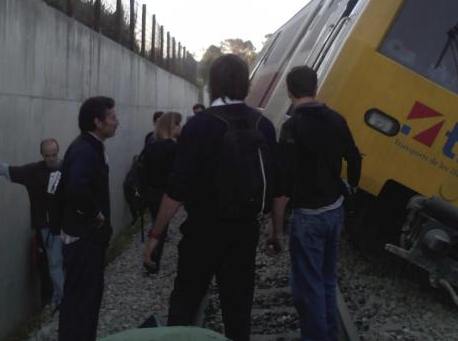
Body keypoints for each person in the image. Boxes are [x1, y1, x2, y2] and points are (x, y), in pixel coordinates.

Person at [143, 54, 283, 341]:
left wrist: (156, 234)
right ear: (246, 84)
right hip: (245, 231)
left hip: (202, 231)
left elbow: (177, 188)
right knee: (238, 309)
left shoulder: (198, 126)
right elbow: (279, 187)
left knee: (185, 303)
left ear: (212, 84)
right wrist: (276, 230)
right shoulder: (263, 125)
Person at [267, 65, 361, 341]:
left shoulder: (292, 127)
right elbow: (354, 157)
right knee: (327, 281)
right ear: (315, 88)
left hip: (308, 216)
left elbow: (282, 184)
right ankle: (330, 335)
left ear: (289, 91)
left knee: (308, 289)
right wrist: (351, 187)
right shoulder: (336, 119)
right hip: (334, 211)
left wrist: (277, 230)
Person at [0, 139, 64, 310]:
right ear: (42, 155)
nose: (51, 158)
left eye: (54, 154)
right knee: (55, 263)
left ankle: (66, 297)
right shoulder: (33, 172)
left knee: (63, 262)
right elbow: (6, 170)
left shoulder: (66, 168)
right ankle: (61, 299)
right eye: (48, 155)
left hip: (67, 223)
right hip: (49, 227)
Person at [58, 96, 119, 341]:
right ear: (98, 122)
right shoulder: (85, 149)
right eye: (112, 118)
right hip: (83, 240)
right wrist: (96, 214)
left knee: (84, 300)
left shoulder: (90, 145)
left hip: (87, 239)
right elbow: (76, 188)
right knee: (82, 302)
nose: (117, 122)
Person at [141, 111, 182, 273]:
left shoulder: (152, 145)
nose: (181, 127)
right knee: (161, 228)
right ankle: (151, 262)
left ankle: (151, 258)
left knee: (156, 223)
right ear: (171, 126)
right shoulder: (173, 148)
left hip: (151, 191)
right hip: (164, 193)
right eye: (178, 124)